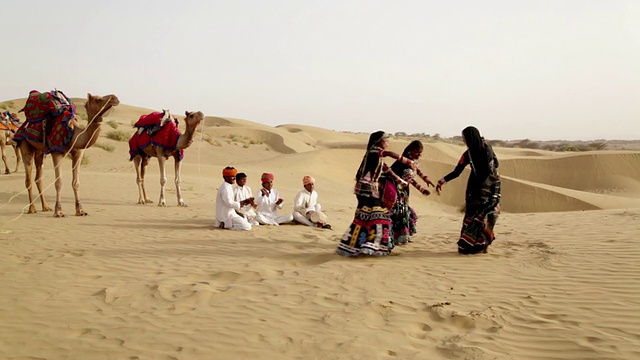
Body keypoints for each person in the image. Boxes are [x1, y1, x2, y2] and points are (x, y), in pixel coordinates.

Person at [336, 131, 415, 257]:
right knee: (380, 216)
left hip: (366, 191)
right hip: (367, 191)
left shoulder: (375, 156)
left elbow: (387, 169)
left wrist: (400, 181)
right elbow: (389, 154)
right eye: (386, 139)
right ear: (379, 141)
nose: (388, 142)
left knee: (364, 217)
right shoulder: (375, 151)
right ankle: (372, 246)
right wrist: (407, 161)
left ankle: (352, 245)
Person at [435, 126, 501, 254]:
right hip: (488, 187)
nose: (463, 140)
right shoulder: (483, 149)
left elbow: (458, 171)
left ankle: (475, 245)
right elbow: (495, 165)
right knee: (483, 216)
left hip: (479, 189)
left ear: (470, 138)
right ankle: (481, 245)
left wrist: (442, 180)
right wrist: (442, 180)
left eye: (464, 137)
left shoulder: (473, 153)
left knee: (479, 216)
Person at [380, 140, 435, 245]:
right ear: (410, 151)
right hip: (396, 191)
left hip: (403, 191)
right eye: (417, 152)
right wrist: (421, 189)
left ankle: (401, 237)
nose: (419, 154)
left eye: (420, 152)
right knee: (398, 213)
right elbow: (409, 180)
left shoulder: (411, 161)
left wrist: (426, 179)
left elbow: (416, 170)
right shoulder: (403, 163)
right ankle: (392, 237)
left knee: (403, 213)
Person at [215, 166, 253, 231]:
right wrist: (241, 203)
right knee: (247, 227)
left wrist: (244, 202)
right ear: (225, 177)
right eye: (231, 176)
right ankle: (225, 225)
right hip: (226, 215)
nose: (234, 178)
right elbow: (229, 203)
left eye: (234, 176)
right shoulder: (225, 188)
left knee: (246, 221)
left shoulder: (228, 186)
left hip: (231, 213)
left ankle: (226, 224)